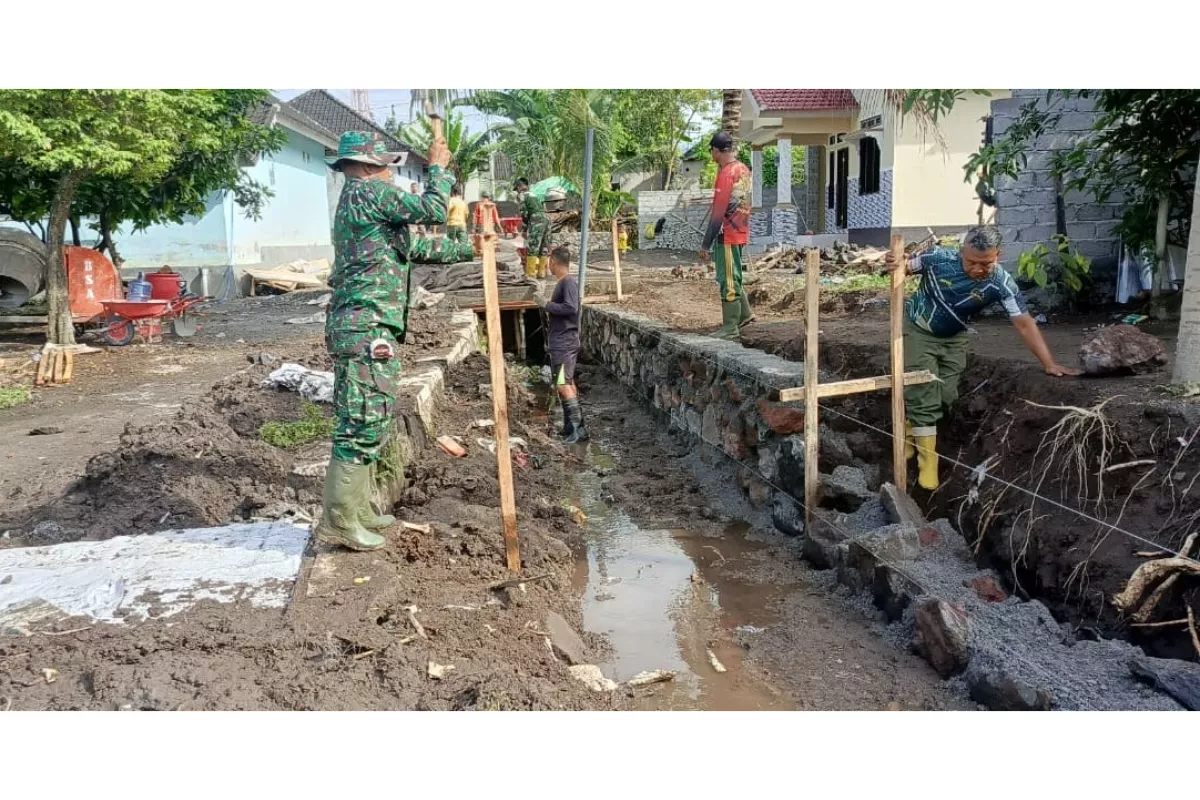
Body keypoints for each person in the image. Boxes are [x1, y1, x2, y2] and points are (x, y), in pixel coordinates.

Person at [315, 130, 453, 551]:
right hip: (366, 327)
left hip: (366, 325)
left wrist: (473, 247)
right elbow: (434, 209)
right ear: (369, 166)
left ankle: (357, 510)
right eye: (388, 167)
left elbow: (408, 250)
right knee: (361, 422)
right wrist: (438, 170)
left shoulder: (362, 201)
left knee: (370, 418)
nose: (392, 175)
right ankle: (340, 519)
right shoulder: (367, 193)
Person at [885, 225, 1080, 491]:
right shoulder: (938, 259)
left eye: (985, 264)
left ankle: (912, 427)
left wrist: (1049, 364)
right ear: (962, 252)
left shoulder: (1000, 283)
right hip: (919, 329)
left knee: (946, 396)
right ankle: (927, 463)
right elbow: (902, 267)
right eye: (971, 262)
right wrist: (895, 263)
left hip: (954, 338)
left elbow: (1023, 323)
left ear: (998, 255)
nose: (977, 269)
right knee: (923, 393)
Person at [698, 131, 753, 339]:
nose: (711, 155)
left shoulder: (726, 174)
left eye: (711, 150)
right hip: (741, 229)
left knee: (727, 278)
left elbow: (718, 214)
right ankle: (745, 314)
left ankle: (730, 328)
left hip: (728, 234)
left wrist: (705, 244)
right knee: (735, 274)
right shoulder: (743, 169)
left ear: (716, 151)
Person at [534, 246, 587, 443]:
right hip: (564, 341)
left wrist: (546, 304)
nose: (548, 265)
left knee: (562, 383)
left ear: (554, 263)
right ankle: (571, 426)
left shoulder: (568, 283)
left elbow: (571, 308)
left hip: (564, 343)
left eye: (549, 262)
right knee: (568, 381)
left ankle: (577, 430)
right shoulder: (564, 283)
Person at [515, 177, 550, 279]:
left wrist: (524, 230)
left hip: (536, 219)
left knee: (533, 247)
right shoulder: (534, 194)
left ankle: (530, 274)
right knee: (543, 247)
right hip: (546, 218)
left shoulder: (522, 195)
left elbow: (524, 213)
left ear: (519, 187)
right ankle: (541, 272)